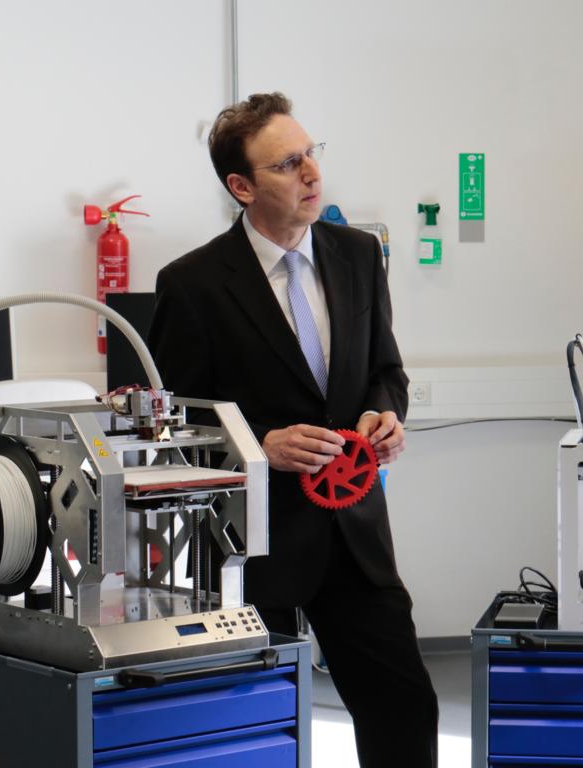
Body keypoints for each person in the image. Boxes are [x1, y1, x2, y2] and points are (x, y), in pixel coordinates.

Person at [149, 92, 439, 767]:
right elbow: (174, 421)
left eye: (311, 153)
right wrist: (260, 445)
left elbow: (386, 370)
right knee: (256, 726)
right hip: (251, 544)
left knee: (404, 708)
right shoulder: (192, 284)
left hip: (355, 533)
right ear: (241, 187)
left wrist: (387, 413)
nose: (312, 173)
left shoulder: (358, 254)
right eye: (287, 164)